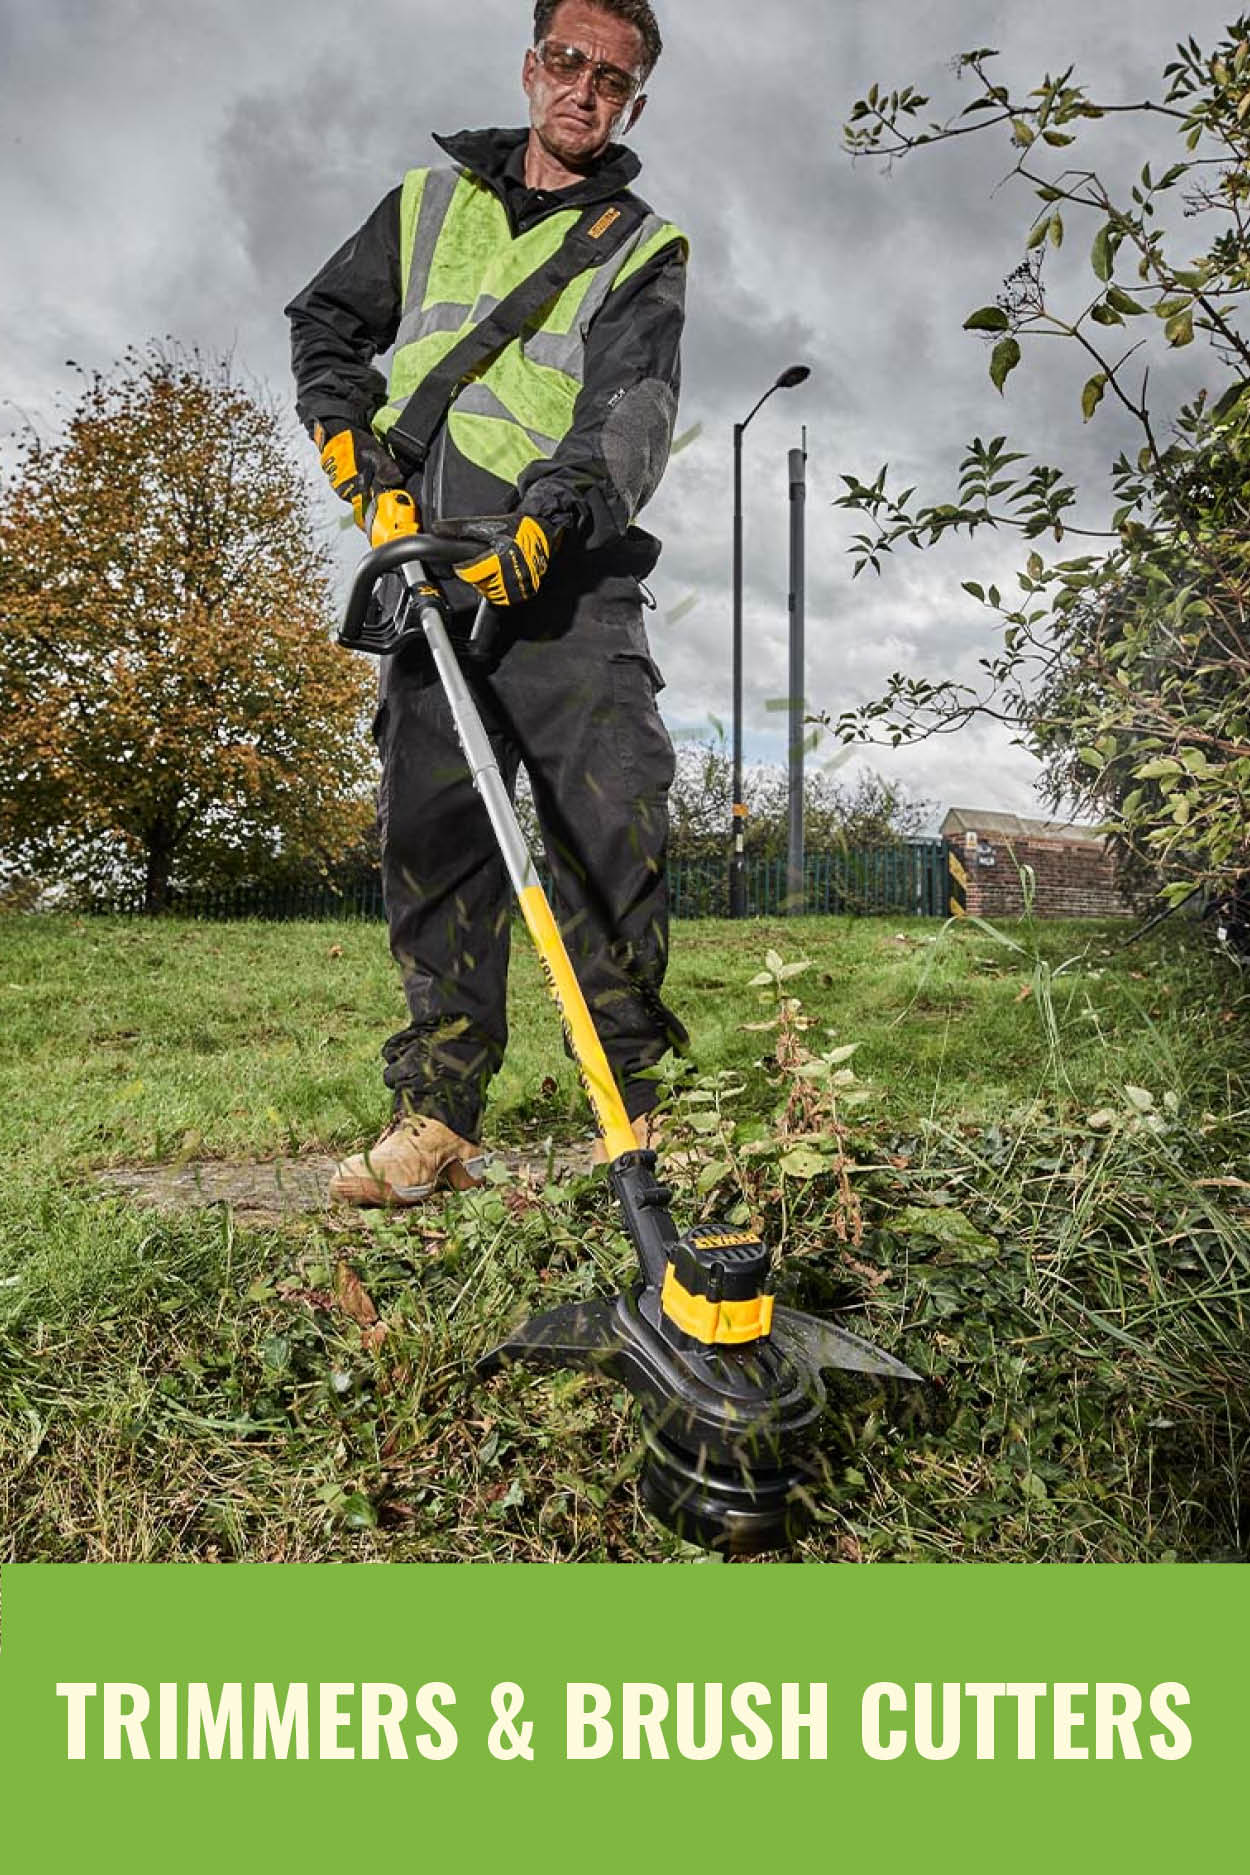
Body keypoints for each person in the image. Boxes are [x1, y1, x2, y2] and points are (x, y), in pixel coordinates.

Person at [286, 0, 688, 1205]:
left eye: (613, 79)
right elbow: (325, 323)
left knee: (608, 835)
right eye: (568, 63)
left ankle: (635, 1114)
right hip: (425, 574)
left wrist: (545, 522)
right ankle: (437, 1123)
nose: (585, 90)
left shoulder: (641, 246)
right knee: (437, 846)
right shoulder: (420, 208)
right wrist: (349, 446)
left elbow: (630, 411)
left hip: (567, 587)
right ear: (530, 68)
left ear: (631, 101)